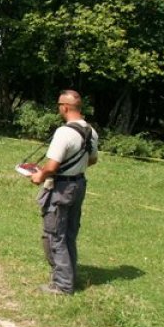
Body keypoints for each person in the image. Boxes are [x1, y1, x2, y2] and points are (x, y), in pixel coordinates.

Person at [29, 90, 99, 295]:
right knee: (69, 234)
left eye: (59, 105)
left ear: (64, 107)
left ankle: (62, 285)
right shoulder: (91, 132)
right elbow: (92, 160)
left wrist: (38, 176)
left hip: (61, 189)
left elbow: (51, 166)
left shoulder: (64, 132)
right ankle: (69, 276)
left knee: (54, 235)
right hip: (79, 185)